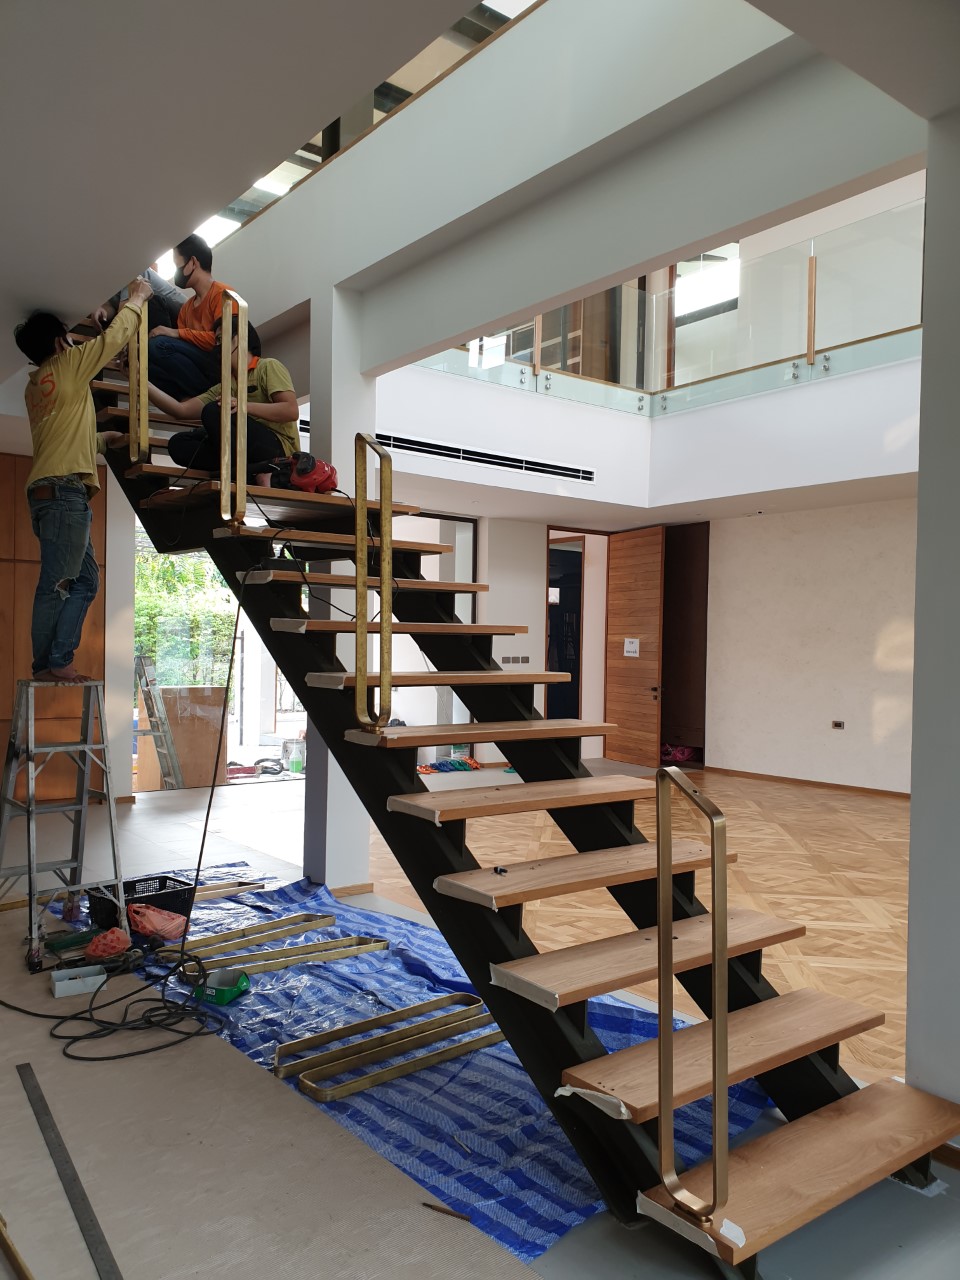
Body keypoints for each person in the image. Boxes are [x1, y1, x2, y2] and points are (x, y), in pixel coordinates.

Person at [14, 277, 154, 683]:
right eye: (69, 337)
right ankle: (52, 662)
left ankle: (53, 659)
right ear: (61, 342)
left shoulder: (35, 387)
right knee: (56, 584)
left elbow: (59, 436)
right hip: (63, 494)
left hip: (52, 493)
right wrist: (137, 299)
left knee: (84, 581)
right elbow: (112, 340)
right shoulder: (69, 365)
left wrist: (101, 439)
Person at [147, 319, 300, 477]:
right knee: (178, 444)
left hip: (278, 447)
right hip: (243, 447)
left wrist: (242, 406)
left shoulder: (267, 366)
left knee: (214, 410)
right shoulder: (225, 385)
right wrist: (145, 385)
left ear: (238, 338)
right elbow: (181, 411)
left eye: (220, 339)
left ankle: (248, 471)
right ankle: (248, 470)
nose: (217, 346)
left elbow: (290, 410)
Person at [147, 234, 236, 399]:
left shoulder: (224, 295)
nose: (176, 272)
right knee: (144, 362)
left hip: (218, 367)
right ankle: (192, 399)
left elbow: (224, 341)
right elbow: (182, 347)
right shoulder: (186, 308)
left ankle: (203, 397)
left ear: (193, 262)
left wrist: (175, 333)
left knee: (159, 344)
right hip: (195, 369)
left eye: (177, 265)